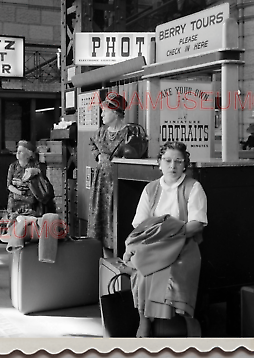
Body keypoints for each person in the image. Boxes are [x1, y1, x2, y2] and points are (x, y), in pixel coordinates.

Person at [122, 141, 208, 337]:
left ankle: (190, 323)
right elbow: (140, 226)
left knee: (174, 274)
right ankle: (144, 321)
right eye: (167, 161)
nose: (173, 166)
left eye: (178, 161)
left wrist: (171, 234)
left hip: (183, 245)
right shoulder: (150, 189)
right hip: (154, 245)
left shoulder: (193, 187)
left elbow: (197, 224)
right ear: (159, 163)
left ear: (185, 164)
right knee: (142, 272)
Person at [87, 93, 148, 257]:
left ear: (115, 112)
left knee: (117, 221)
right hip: (101, 183)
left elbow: (139, 153)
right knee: (101, 224)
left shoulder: (132, 132)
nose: (101, 115)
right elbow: (92, 143)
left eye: (104, 111)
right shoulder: (100, 132)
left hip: (120, 184)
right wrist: (98, 156)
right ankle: (106, 263)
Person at [4, 140, 57, 251]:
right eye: (17, 151)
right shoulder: (13, 166)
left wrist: (36, 172)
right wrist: (20, 192)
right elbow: (9, 185)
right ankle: (16, 234)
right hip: (16, 198)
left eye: (21, 152)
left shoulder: (36, 165)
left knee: (33, 209)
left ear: (29, 154)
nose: (17, 154)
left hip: (32, 200)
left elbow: (42, 185)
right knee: (15, 211)